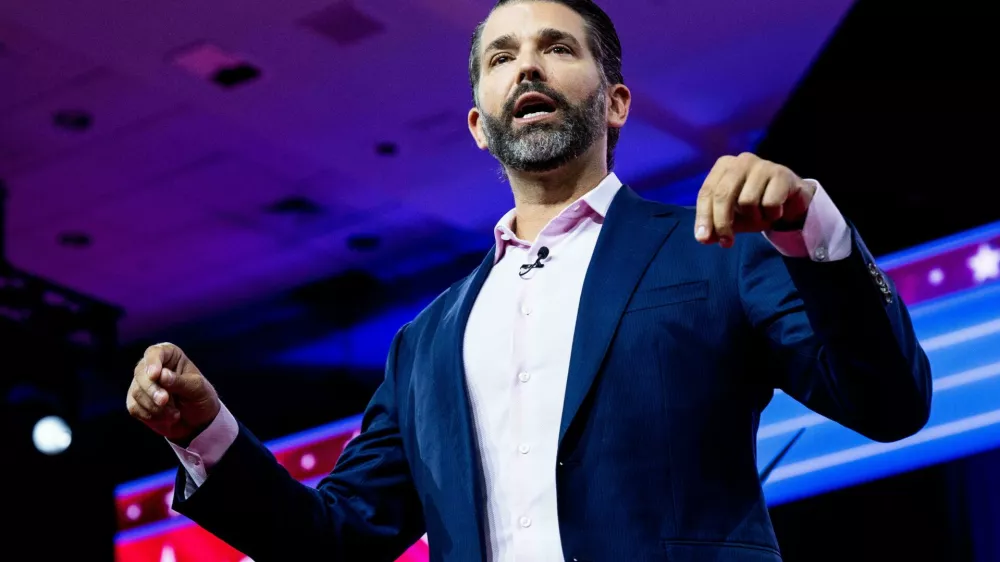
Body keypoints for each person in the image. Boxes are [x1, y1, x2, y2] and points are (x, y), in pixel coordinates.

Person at [126, 1, 932, 560]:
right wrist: (207, 436)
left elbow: (889, 404)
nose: (528, 67)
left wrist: (807, 225)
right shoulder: (428, 341)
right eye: (503, 57)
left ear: (614, 103)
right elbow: (336, 540)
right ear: (480, 124)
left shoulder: (715, 248)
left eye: (557, 47)